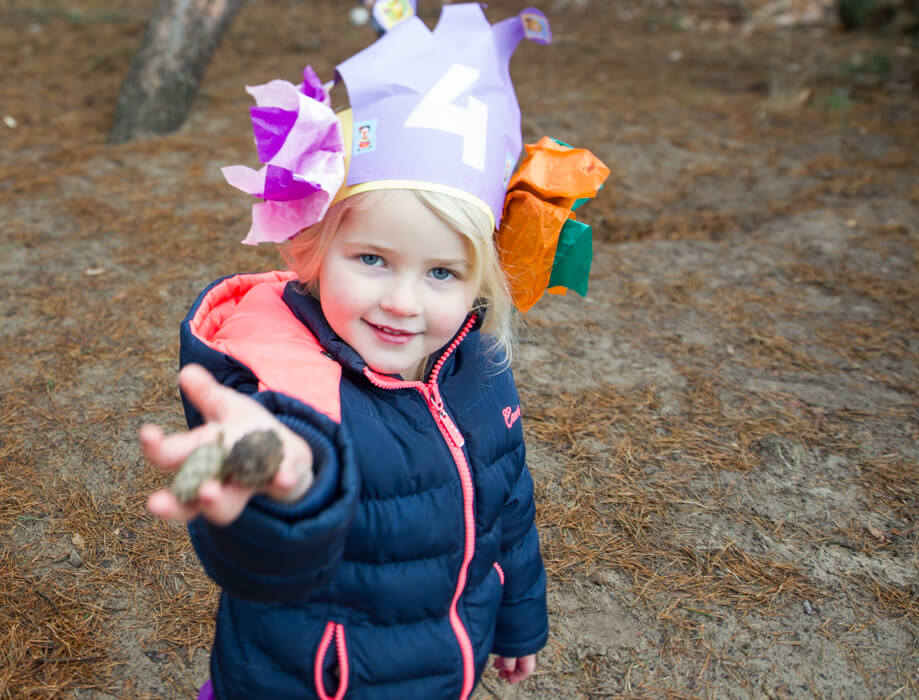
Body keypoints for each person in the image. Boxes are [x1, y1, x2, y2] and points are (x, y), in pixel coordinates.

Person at [139, 5, 607, 699]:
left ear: (482, 280)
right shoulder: (284, 381)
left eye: (441, 272)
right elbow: (270, 558)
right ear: (315, 249)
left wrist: (516, 623)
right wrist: (286, 483)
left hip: (439, 672)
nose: (403, 302)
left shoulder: (477, 368)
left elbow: (508, 510)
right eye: (371, 259)